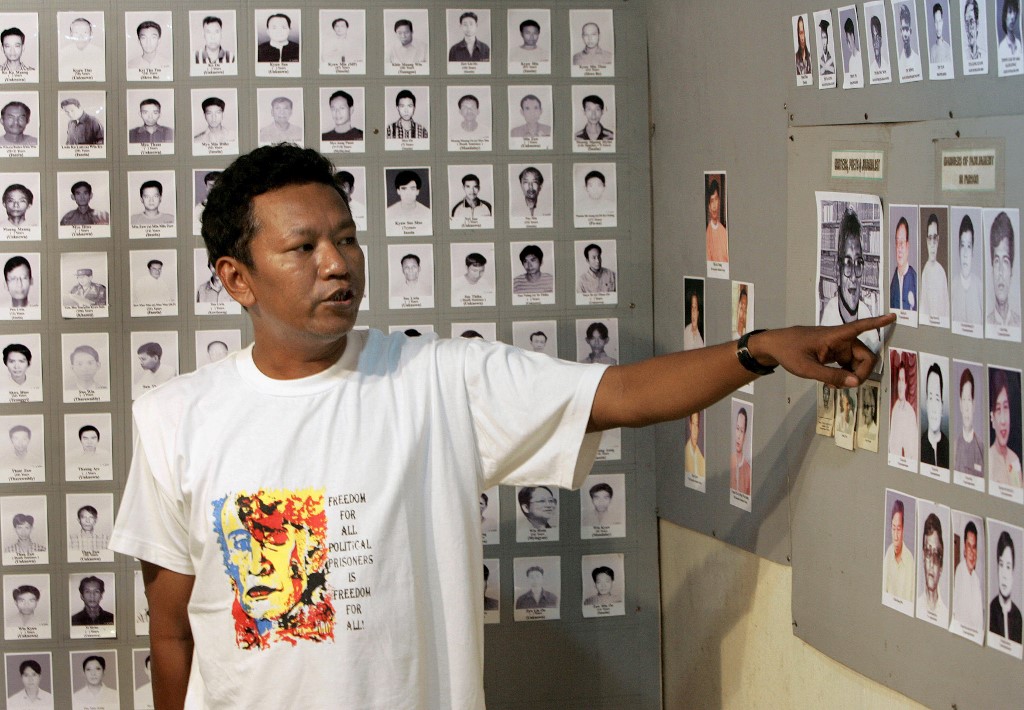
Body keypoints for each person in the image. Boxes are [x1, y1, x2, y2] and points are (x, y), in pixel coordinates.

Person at [108, 144, 888, 708]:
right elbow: (173, 627)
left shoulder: (436, 378)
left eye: (345, 237)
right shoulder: (177, 417)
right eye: (303, 247)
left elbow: (619, 393)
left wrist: (758, 350)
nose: (338, 263)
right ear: (236, 277)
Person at [819, 209, 881, 353]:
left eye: (858, 263)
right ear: (837, 270)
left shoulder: (866, 315)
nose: (853, 276)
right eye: (847, 263)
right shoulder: (828, 322)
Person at [989, 368, 1023, 488]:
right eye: (998, 409)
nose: (1003, 420)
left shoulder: (1014, 460)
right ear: (992, 417)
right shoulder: (988, 460)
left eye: (1006, 407)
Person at [987, 210, 1021, 327]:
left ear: (1011, 269)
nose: (1000, 271)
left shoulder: (1019, 324)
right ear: (992, 269)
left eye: (1005, 261)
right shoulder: (986, 323)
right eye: (997, 261)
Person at [990, 531, 1023, 642]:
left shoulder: (1018, 617)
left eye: (1008, 567)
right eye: (1001, 565)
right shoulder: (991, 611)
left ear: (1013, 571)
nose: (1004, 574)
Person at [951, 520, 983, 634]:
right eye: (969, 546)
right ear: (964, 549)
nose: (971, 553)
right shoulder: (960, 572)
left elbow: (979, 618)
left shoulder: (976, 579)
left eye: (974, 547)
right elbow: (961, 616)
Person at [952, 213, 983, 325]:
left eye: (969, 247)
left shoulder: (980, 287)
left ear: (973, 251)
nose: (965, 254)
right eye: (962, 246)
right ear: (958, 250)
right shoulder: (952, 287)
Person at [954, 368, 984, 477]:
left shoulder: (981, 448)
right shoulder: (954, 447)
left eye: (969, 400)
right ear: (960, 403)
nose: (967, 407)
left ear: (974, 404)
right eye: (964, 400)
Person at [917, 513, 947, 620]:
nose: (931, 563)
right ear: (923, 557)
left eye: (935, 555)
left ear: (941, 566)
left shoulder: (945, 615)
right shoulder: (916, 606)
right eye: (928, 553)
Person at [883, 499, 915, 600]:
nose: (895, 536)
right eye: (893, 529)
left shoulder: (910, 560)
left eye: (898, 529)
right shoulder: (888, 554)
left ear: (903, 529)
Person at [920, 214, 950, 321]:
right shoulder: (924, 274)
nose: (932, 244)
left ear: (938, 239)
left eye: (935, 238)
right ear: (926, 240)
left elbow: (947, 311)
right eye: (930, 238)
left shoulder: (942, 273)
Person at [888, 358, 918, 460]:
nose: (900, 385)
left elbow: (913, 450)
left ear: (905, 385)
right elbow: (891, 443)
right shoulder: (894, 409)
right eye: (899, 380)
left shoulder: (910, 413)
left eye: (902, 380)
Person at [920, 363, 949, 467]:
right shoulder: (919, 445)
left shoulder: (948, 447)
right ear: (926, 403)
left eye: (937, 398)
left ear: (942, 405)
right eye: (930, 398)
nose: (933, 408)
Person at [890, 216, 917, 310]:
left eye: (902, 242)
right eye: (897, 242)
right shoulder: (893, 282)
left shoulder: (914, 279)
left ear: (907, 246)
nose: (899, 248)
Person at [705, 178, 729, 263]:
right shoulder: (707, 234)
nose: (714, 205)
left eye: (716, 199)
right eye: (712, 201)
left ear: (719, 201)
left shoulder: (724, 232)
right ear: (709, 206)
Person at [730, 407, 752, 494]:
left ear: (745, 436)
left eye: (742, 431)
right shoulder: (728, 462)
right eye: (737, 428)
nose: (738, 435)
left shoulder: (748, 471)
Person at [897, 3, 922, 74]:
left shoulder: (917, 59)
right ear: (900, 31)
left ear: (910, 31)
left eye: (907, 29)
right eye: (903, 29)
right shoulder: (899, 62)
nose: (905, 34)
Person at [684, 412, 705, 478]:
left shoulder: (701, 459)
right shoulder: (685, 452)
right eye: (693, 424)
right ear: (690, 426)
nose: (695, 430)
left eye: (697, 425)